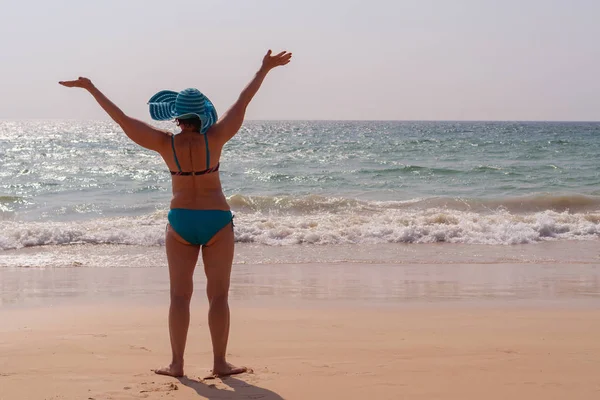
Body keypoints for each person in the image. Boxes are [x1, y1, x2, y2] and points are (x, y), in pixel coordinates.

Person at [59, 50, 292, 378]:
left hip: (181, 221)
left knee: (179, 296)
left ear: (177, 117)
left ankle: (177, 364)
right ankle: (220, 363)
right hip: (217, 221)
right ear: (204, 116)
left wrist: (91, 88)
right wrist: (264, 69)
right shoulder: (217, 137)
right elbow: (243, 101)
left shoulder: (164, 144)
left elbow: (123, 119)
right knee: (219, 295)